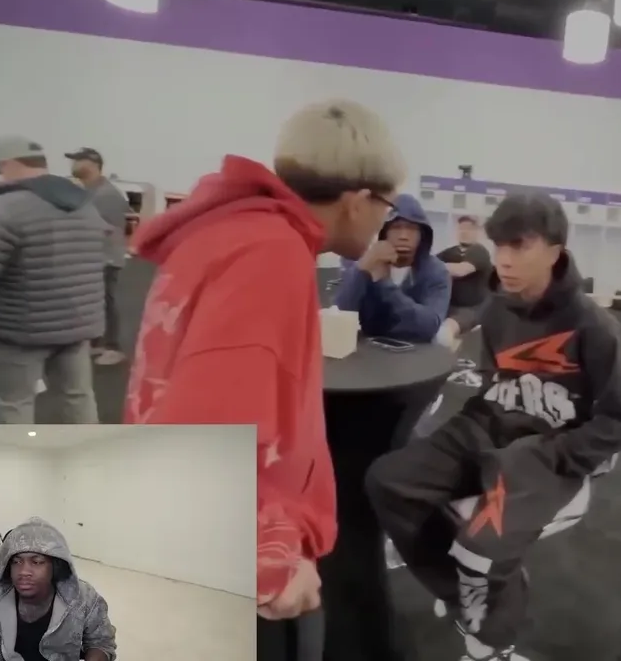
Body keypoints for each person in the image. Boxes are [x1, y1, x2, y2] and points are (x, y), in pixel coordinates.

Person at [118, 100, 406, 652]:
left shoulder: (231, 233)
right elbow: (205, 426)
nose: (383, 223)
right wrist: (267, 560)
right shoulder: (272, 254)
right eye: (386, 207)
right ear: (357, 200)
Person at [365, 193, 621, 661]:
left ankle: (493, 645)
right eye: (500, 246)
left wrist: (557, 454)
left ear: (554, 251)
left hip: (546, 454)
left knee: (481, 548)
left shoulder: (594, 328)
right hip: (487, 429)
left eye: (520, 246)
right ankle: (462, 595)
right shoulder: (495, 311)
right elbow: (496, 387)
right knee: (387, 481)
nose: (505, 260)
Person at [0, 136, 107, 424]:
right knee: (78, 396)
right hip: (77, 322)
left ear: (8, 164)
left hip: (21, 328)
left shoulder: (6, 206)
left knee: (14, 403)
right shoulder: (85, 204)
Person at [0, 517, 117, 661]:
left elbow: (101, 643)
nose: (24, 571)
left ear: (55, 566)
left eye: (37, 562)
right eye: (16, 561)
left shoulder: (84, 598)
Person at [334, 193, 450, 344]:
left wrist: (384, 284)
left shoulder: (435, 271)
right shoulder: (363, 261)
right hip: (368, 346)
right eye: (396, 227)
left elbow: (429, 326)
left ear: (422, 235)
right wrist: (362, 269)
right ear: (384, 233)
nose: (403, 236)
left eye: (411, 228)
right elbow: (341, 312)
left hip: (415, 349)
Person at [67, 147, 130, 366]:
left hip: (106, 258)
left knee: (105, 301)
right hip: (92, 257)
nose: (73, 165)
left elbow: (111, 228)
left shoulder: (106, 194)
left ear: (93, 165)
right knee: (93, 302)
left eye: (78, 161)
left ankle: (113, 347)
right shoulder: (89, 191)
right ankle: (98, 343)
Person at [436, 214, 494, 347]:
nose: (464, 232)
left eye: (469, 228)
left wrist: (434, 267)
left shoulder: (479, 251)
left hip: (473, 308)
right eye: (461, 228)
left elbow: (461, 270)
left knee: (446, 331)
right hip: (449, 306)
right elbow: (426, 264)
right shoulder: (450, 253)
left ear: (477, 232)